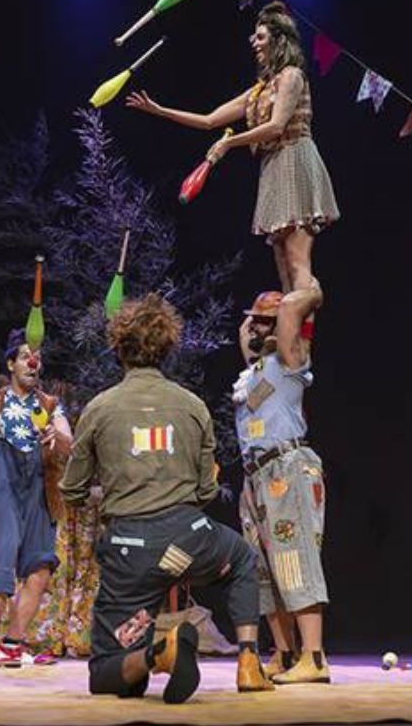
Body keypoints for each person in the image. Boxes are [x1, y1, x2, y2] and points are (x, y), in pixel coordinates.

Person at [61, 294, 275, 704]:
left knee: (109, 675)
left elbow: (71, 491)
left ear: (118, 347)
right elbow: (206, 490)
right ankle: (249, 661)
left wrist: (113, 490)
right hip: (190, 540)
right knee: (243, 558)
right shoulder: (192, 406)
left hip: (131, 553)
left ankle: (159, 653)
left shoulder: (100, 408)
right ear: (167, 348)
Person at [125, 1, 338, 299]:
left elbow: (277, 127)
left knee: (297, 259)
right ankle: (290, 337)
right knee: (281, 261)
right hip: (274, 165)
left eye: (261, 37)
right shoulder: (260, 89)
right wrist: (159, 111)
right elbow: (210, 120)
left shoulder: (291, 76)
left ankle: (301, 339)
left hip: (293, 157)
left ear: (279, 41)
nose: (254, 42)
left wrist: (229, 142)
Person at [232, 284, 330, 683]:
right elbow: (246, 339)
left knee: (295, 556)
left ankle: (315, 658)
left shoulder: (292, 359)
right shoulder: (255, 371)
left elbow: (300, 304)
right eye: (252, 321)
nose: (252, 328)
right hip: (255, 475)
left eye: (261, 321)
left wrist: (293, 260)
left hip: (286, 469)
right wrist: (252, 325)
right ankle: (285, 654)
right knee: (262, 569)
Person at [0, 333, 73, 667]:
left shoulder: (50, 405)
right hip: (1, 482)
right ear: (11, 364)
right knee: (1, 556)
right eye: (25, 356)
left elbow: (70, 444)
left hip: (39, 486)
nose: (33, 363)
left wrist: (57, 435)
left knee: (40, 565)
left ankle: (13, 643)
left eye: (36, 357)